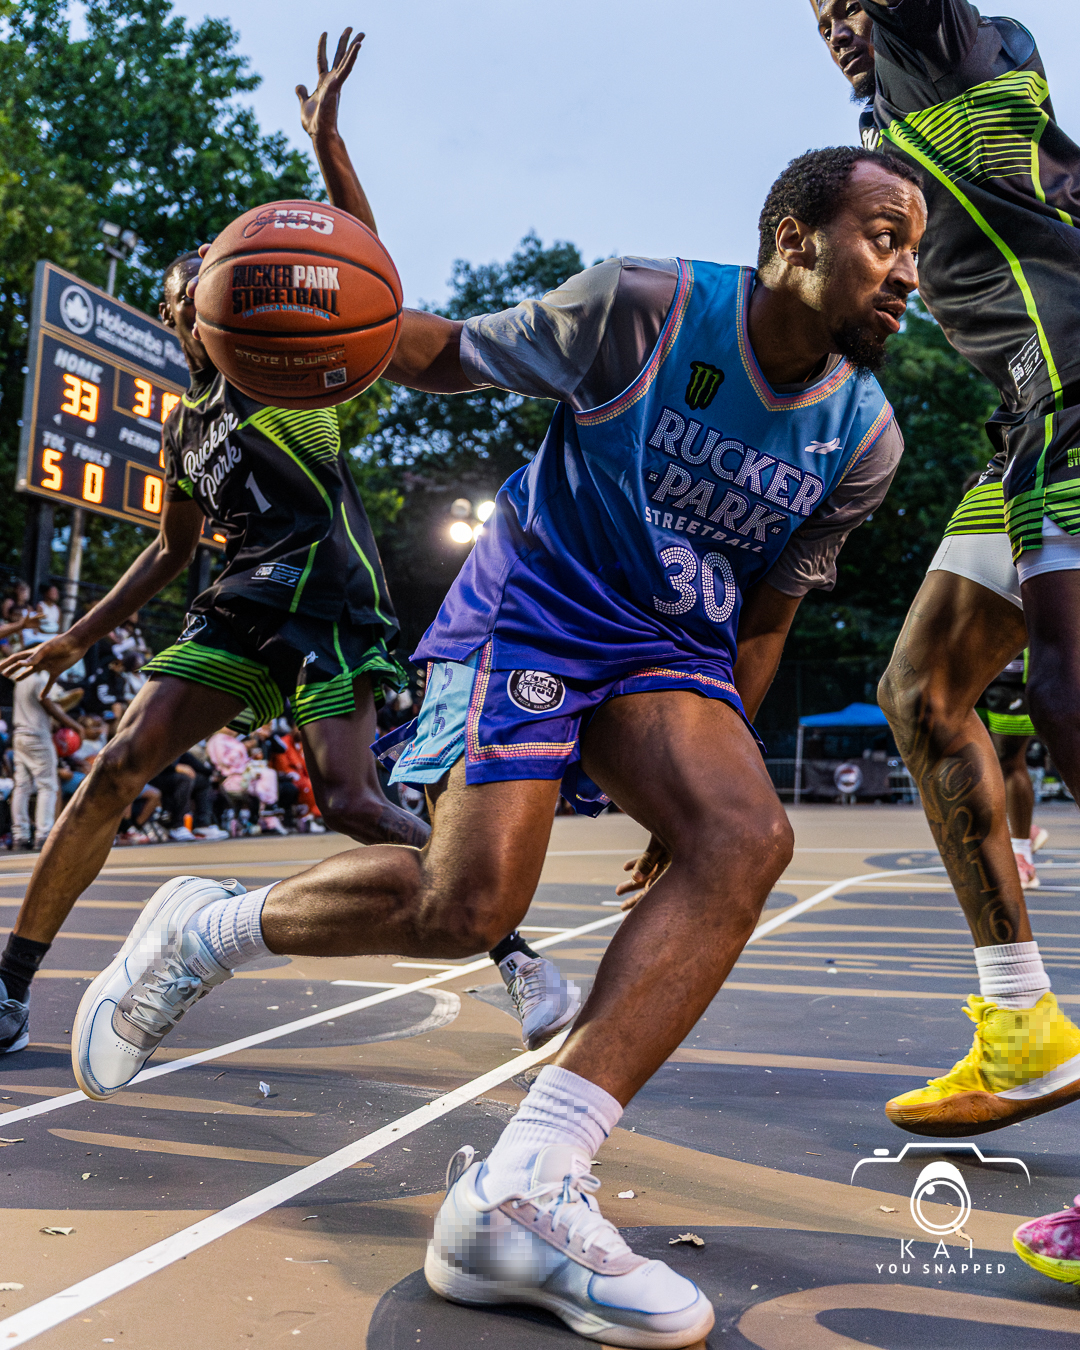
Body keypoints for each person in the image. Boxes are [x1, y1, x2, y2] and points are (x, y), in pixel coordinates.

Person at [70, 116, 925, 1342]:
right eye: (884, 238)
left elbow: (768, 613)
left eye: (916, 250)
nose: (905, 270)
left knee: (745, 838)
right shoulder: (644, 306)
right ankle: (202, 931)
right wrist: (292, 323)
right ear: (794, 238)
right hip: (536, 608)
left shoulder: (868, 437)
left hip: (666, 649)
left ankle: (524, 1186)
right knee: (464, 909)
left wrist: (701, 781)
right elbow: (435, 350)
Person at [0, 31, 574, 1063]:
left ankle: (520, 957)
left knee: (353, 799)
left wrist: (331, 149)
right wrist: (70, 643)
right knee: (119, 766)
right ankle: (9, 984)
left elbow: (366, 279)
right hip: (238, 602)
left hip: (329, 591)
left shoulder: (292, 370)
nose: (191, 295)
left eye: (207, 281)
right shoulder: (185, 428)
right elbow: (166, 553)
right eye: (184, 289)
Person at [812, 0, 1080, 1150]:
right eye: (819, 13)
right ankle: (1024, 1027)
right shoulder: (901, 132)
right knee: (920, 692)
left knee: (1069, 699)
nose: (836, 21)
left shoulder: (947, 58)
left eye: (849, 2)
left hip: (1079, 382)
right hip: (1029, 412)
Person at [974, 650, 1047, 888]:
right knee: (970, 759)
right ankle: (1006, 835)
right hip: (967, 654)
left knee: (1008, 760)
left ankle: (1020, 852)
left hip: (1010, 663)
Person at [10, 669, 82, 855]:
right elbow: (48, 704)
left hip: (19, 734)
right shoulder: (40, 678)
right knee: (47, 786)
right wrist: (75, 725)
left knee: (22, 786)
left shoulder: (22, 678)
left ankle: (20, 836)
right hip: (37, 736)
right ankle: (43, 835)